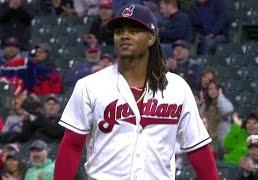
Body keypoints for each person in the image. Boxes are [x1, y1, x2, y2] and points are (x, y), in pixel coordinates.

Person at [54, 4, 219, 180]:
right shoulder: (90, 85)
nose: (124, 35)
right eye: (119, 31)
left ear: (150, 38)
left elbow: (198, 149)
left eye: (133, 30)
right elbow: (72, 145)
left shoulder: (177, 87)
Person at [0, 94, 64, 143]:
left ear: (59, 106)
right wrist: (28, 119)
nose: (51, 107)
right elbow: (23, 136)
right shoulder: (32, 119)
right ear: (44, 105)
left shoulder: (63, 119)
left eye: (54, 104)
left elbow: (54, 132)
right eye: (49, 104)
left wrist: (36, 115)